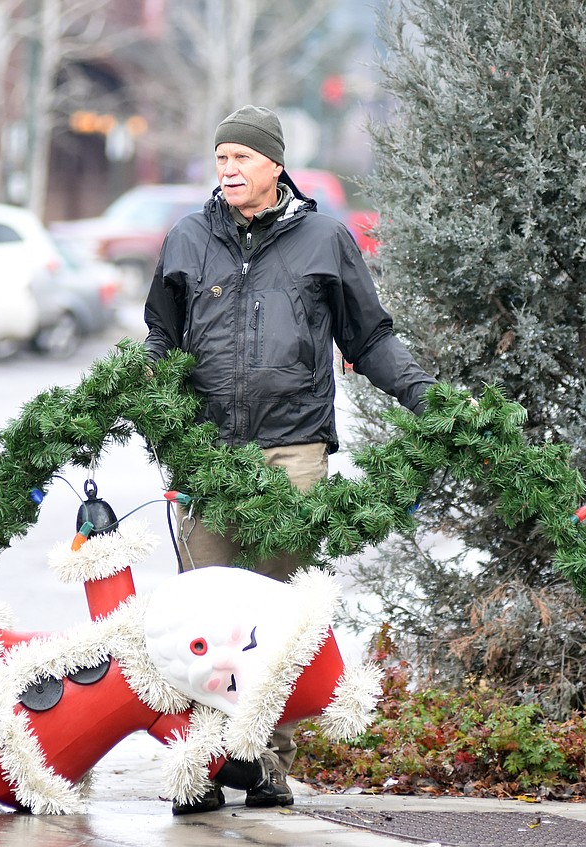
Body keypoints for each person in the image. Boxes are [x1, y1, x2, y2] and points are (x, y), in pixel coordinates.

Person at [144, 106, 435, 813]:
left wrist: (425, 394)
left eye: (242, 158)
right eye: (221, 160)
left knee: (277, 618)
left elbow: (370, 338)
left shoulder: (324, 240)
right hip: (208, 457)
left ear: (276, 166)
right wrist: (157, 412)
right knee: (203, 621)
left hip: (294, 452)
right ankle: (207, 764)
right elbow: (158, 340)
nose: (229, 170)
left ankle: (268, 762)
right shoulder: (187, 239)